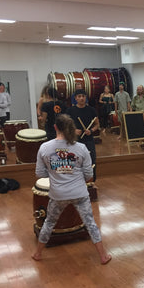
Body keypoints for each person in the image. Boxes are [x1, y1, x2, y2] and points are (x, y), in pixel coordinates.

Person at [32, 114, 111, 265]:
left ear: (55, 127)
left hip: (57, 195)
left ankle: (37, 253)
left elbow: (40, 174)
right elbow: (89, 176)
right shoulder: (81, 148)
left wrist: (56, 171)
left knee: (49, 222)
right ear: (72, 129)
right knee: (90, 223)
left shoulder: (44, 148)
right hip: (80, 194)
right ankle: (103, 256)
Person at [68, 89, 99, 181]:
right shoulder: (70, 110)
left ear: (86, 98)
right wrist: (73, 130)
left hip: (88, 140)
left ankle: (91, 182)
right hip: (75, 140)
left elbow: (97, 124)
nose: (81, 98)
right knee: (75, 161)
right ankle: (75, 181)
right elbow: (66, 125)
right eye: (79, 96)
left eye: (83, 96)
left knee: (91, 160)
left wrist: (91, 130)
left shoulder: (91, 110)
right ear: (75, 98)